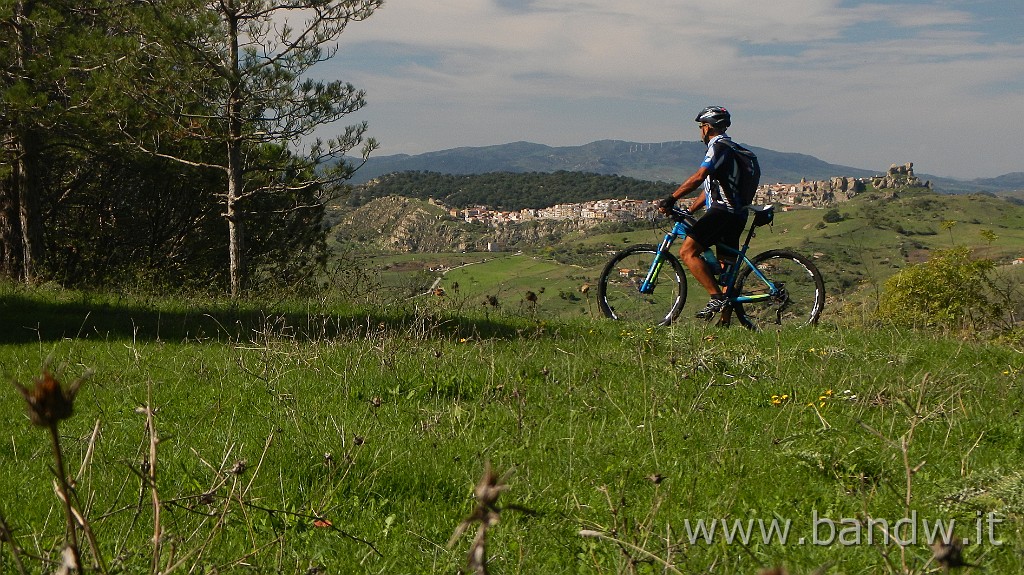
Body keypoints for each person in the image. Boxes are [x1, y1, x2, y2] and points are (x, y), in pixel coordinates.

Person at [658, 106, 755, 320]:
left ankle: (715, 298)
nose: (700, 131)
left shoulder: (717, 146)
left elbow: (700, 176)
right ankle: (724, 321)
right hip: (738, 215)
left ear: (707, 127)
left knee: (687, 252)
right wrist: (690, 210)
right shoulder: (732, 148)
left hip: (722, 212)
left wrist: (672, 198)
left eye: (701, 126)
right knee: (725, 271)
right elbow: (712, 187)